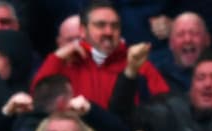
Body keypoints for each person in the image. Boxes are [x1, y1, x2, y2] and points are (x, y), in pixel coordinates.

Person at [31, 1, 168, 109]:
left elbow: (165, 105)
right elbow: (39, 101)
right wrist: (56, 58)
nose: (109, 32)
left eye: (114, 26)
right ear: (83, 31)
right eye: (100, 25)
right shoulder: (67, 62)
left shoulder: (137, 64)